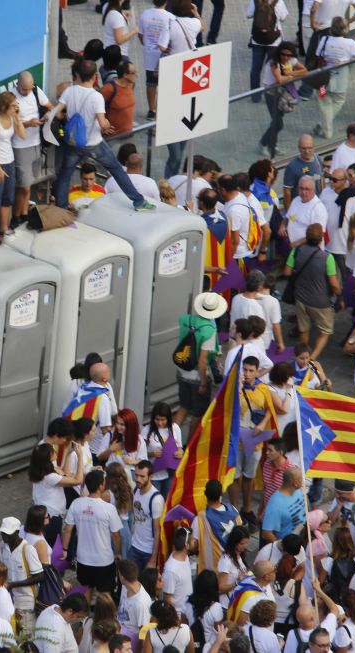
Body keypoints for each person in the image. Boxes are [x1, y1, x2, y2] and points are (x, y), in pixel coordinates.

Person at [53, 58, 157, 213]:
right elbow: (103, 124)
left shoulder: (69, 91)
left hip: (74, 143)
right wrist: (107, 124)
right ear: (94, 76)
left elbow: (57, 112)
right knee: (117, 170)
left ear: (78, 74)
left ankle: (61, 207)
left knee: (65, 174)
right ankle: (139, 202)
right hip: (94, 143)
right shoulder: (96, 96)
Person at [62, 470, 123, 601]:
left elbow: (67, 529)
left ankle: (84, 613)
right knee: (105, 595)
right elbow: (116, 535)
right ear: (100, 486)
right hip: (104, 560)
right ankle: (104, 614)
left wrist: (65, 550)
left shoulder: (76, 503)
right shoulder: (109, 508)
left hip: (83, 559)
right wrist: (118, 552)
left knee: (86, 590)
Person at [285, 223, 342, 358]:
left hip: (301, 298)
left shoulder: (296, 251)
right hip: (321, 302)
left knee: (303, 328)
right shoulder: (327, 258)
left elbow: (287, 272)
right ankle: (312, 358)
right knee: (325, 331)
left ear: (306, 237)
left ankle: (303, 354)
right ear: (321, 239)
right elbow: (334, 284)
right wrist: (340, 295)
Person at [176, 293, 226, 433]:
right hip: (197, 377)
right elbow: (202, 361)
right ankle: (190, 444)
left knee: (183, 407)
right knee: (198, 414)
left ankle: (169, 442)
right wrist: (203, 383)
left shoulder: (185, 319)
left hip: (182, 370)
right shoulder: (209, 331)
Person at [314, 18, 355, 140]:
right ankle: (326, 128)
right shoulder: (350, 43)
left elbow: (318, 54)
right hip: (340, 80)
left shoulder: (324, 39)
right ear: (344, 29)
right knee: (339, 100)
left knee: (323, 99)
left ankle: (325, 125)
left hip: (323, 79)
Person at [12, 72, 51, 226]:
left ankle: (23, 214)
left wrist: (47, 114)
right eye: (24, 90)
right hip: (21, 146)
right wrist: (29, 123)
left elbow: (50, 106)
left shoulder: (36, 91)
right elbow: (10, 123)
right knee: (24, 186)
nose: (27, 92)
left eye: (29, 89)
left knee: (28, 184)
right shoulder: (11, 97)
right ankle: (16, 216)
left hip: (36, 143)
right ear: (18, 85)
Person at [0, 92, 26, 241]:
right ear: (4, 106)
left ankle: (3, 227)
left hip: (10, 161)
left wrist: (18, 119)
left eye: (16, 105)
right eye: (13, 105)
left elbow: (23, 136)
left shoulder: (12, 118)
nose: (16, 107)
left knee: (8, 198)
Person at [0, 516, 44, 636]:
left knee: (26, 636)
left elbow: (39, 576)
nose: (4, 537)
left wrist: (13, 585)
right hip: (9, 601)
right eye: (3, 533)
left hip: (26, 602)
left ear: (17, 532)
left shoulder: (27, 549)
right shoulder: (2, 546)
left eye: (8, 534)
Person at [260, 42, 306, 158]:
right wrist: (291, 76)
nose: (285, 57)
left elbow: (304, 71)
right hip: (271, 94)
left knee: (277, 121)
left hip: (282, 93)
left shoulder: (292, 60)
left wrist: (290, 73)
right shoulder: (273, 62)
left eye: (288, 55)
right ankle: (264, 143)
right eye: (283, 54)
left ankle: (272, 145)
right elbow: (279, 79)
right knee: (278, 123)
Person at [222, 174, 271, 265]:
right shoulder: (242, 198)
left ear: (238, 188)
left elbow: (267, 231)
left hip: (248, 252)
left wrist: (262, 252)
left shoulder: (253, 204)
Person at [248, 0, 291, 101]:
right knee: (274, 68)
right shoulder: (278, 2)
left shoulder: (255, 1)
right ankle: (272, 94)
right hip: (274, 41)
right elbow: (284, 18)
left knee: (255, 69)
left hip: (257, 40)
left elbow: (248, 15)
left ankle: (255, 96)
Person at [138, 0, 172, 119]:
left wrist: (146, 44)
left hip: (150, 54)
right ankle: (161, 109)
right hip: (165, 55)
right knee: (164, 84)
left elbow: (140, 34)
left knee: (150, 83)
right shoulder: (170, 17)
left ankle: (151, 110)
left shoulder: (145, 14)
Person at [130, 460, 165, 572]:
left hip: (148, 552)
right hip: (134, 546)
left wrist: (153, 560)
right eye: (136, 475)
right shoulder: (136, 490)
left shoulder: (156, 499)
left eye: (142, 476)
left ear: (151, 477)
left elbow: (157, 530)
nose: (138, 479)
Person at [262, 468, 306, 542]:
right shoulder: (275, 505)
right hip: (290, 544)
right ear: (295, 483)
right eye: (301, 479)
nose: (303, 481)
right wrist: (282, 547)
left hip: (302, 537)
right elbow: (266, 533)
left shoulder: (298, 491)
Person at [284, 176, 327, 248]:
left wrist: (297, 243)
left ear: (314, 190)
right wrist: (283, 225)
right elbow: (288, 217)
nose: (304, 192)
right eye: (301, 188)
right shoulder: (296, 200)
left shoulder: (318, 208)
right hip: (293, 247)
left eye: (307, 189)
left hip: (308, 250)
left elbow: (318, 235)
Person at [283, 135, 324, 209]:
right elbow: (287, 191)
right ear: (299, 148)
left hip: (316, 205)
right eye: (304, 148)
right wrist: (289, 212)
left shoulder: (318, 159)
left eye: (309, 148)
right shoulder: (292, 166)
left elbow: (321, 178)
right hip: (301, 207)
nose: (307, 151)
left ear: (314, 147)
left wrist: (323, 197)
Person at [100, 60, 137, 136]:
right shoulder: (108, 89)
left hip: (129, 133)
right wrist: (102, 125)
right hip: (113, 136)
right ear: (125, 75)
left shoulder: (131, 85)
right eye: (133, 73)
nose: (136, 75)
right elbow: (94, 109)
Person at [162, 528, 193, 615]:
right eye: (192, 540)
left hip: (188, 613)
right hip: (178, 616)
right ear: (186, 545)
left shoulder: (185, 556)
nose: (195, 541)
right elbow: (167, 599)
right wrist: (175, 620)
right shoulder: (171, 570)